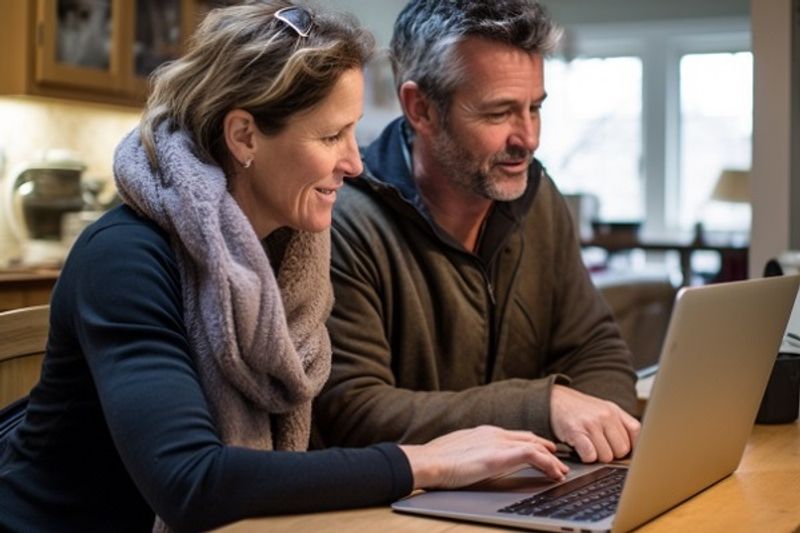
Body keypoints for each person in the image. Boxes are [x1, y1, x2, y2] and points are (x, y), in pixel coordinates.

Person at [0, 3, 570, 532]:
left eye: (352, 132)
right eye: (330, 136)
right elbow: (191, 481)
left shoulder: (287, 248)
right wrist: (424, 463)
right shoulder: (124, 256)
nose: (354, 163)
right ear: (245, 135)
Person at [313, 0, 642, 465]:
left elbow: (595, 348)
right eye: (498, 113)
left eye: (535, 108)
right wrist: (542, 408)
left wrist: (590, 442)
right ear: (421, 108)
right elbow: (355, 411)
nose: (528, 138)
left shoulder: (540, 198)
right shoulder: (342, 220)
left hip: (533, 484)